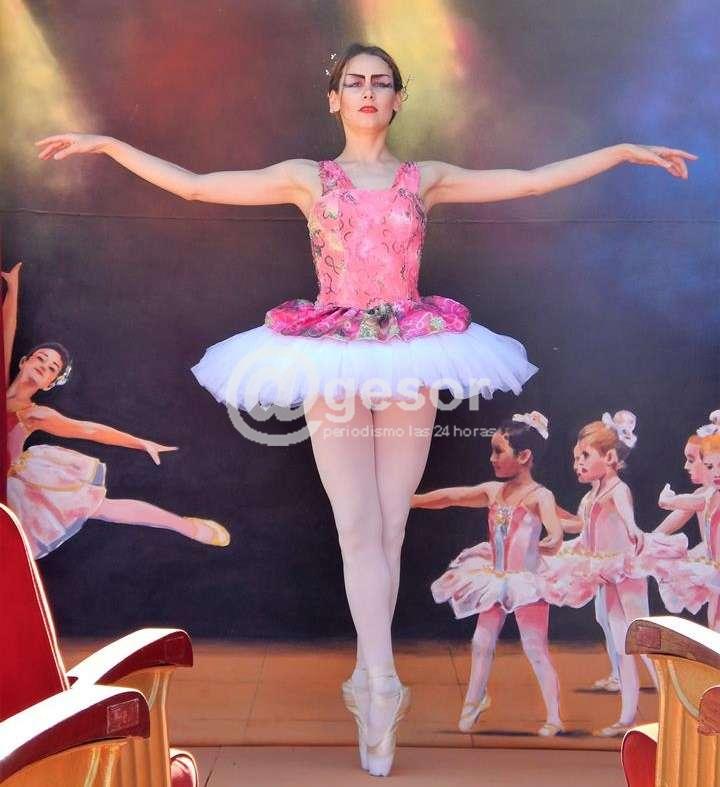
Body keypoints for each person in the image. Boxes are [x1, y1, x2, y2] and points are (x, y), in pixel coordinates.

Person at [35, 41, 696, 776]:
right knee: (356, 525)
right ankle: (380, 680)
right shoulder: (307, 177)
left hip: (412, 351)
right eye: (355, 82)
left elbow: (531, 181)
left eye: (382, 82)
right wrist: (109, 144)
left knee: (390, 523)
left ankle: (371, 680)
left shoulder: (425, 177)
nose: (369, 92)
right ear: (335, 99)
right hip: (333, 351)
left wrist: (619, 152)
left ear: (399, 98)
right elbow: (195, 186)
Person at [2, 262, 230, 558]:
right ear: (24, 361)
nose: (43, 367)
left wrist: (139, 442)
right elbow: (7, 331)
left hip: (11, 488)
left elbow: (90, 431)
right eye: (40, 359)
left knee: (102, 508)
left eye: (51, 368)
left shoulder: (34, 415)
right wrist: (13, 288)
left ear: (49, 383)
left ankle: (185, 526)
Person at [413, 411, 566, 736]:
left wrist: (548, 542)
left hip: (525, 582)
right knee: (481, 642)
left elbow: (555, 533)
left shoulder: (540, 496)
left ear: (524, 456)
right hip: (495, 579)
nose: (492, 458)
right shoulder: (493, 491)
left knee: (535, 648)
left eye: (499, 451)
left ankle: (554, 715)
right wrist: (410, 501)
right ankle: (474, 700)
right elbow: (450, 497)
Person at [542, 411, 686, 736]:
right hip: (605, 572)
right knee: (621, 646)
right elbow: (580, 526)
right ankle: (628, 717)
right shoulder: (589, 496)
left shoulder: (618, 490)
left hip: (626, 569)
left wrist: (633, 528)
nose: (577, 464)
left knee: (643, 642)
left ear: (609, 458)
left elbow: (627, 515)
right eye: (575, 457)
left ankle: (677, 710)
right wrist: (545, 515)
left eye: (584, 456)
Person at [654, 413, 720, 627]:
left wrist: (669, 501)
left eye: (692, 459)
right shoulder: (705, 495)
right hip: (714, 564)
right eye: (710, 466)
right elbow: (681, 509)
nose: (686, 466)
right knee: (714, 617)